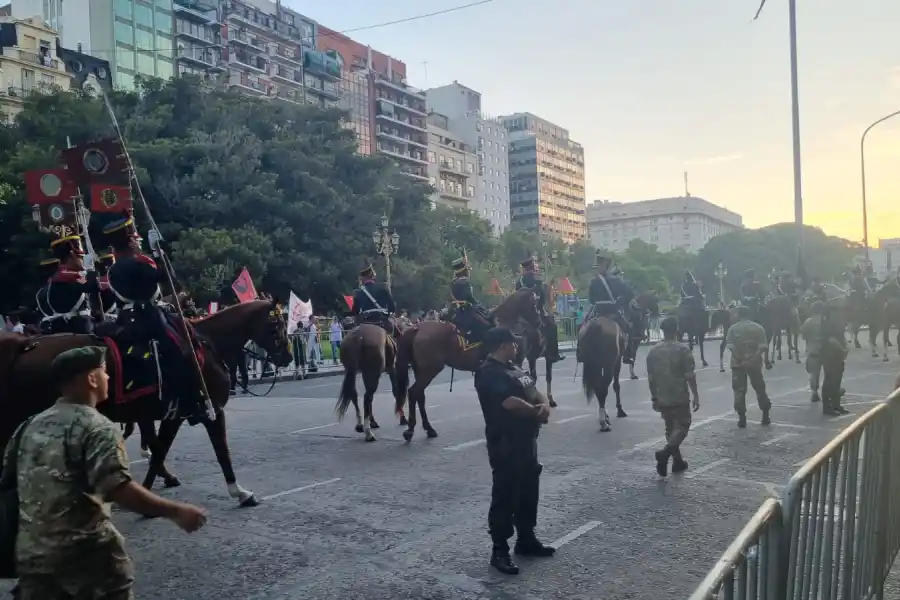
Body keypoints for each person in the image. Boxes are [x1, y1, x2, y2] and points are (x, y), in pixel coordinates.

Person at [3, 346, 207, 600]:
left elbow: (9, 481)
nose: (108, 378)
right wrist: (176, 511)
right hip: (88, 559)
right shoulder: (97, 427)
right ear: (91, 379)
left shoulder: (28, 426)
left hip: (33, 559)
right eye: (104, 372)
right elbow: (117, 488)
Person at [104, 214, 208, 423]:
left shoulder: (113, 268)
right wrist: (158, 252)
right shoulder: (141, 262)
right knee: (183, 351)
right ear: (131, 240)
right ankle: (190, 403)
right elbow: (169, 278)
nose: (138, 240)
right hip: (149, 318)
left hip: (125, 319)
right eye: (136, 238)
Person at [473, 327, 555, 575]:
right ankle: (499, 551)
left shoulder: (515, 369)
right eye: (513, 343)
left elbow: (534, 392)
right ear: (501, 344)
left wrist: (543, 405)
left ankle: (526, 539)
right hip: (505, 443)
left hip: (527, 440)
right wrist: (536, 412)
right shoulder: (489, 373)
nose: (517, 347)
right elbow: (508, 403)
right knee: (505, 495)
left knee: (529, 491)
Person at [646, 316, 699, 476]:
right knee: (683, 426)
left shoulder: (653, 351)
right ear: (676, 330)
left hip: (662, 395)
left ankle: (678, 462)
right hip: (678, 395)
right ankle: (666, 453)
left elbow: (651, 378)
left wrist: (654, 397)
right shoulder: (682, 349)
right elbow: (690, 375)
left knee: (670, 428)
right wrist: (695, 395)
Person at [725, 305, 772, 428]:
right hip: (754, 364)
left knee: (739, 391)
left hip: (737, 364)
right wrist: (752, 359)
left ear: (738, 315)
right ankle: (765, 414)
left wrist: (741, 360)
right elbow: (763, 347)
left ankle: (742, 418)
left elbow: (731, 347)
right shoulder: (758, 328)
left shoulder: (732, 329)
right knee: (760, 389)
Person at [44, 234, 98, 334]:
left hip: (63, 325)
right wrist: (90, 270)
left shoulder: (62, 275)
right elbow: (88, 286)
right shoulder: (69, 276)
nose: (82, 261)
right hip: (76, 325)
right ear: (72, 255)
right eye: (80, 258)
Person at [515, 257, 564, 363]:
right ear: (531, 267)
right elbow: (541, 296)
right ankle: (553, 353)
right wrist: (541, 306)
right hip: (535, 310)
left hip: (521, 312)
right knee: (552, 326)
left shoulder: (519, 280)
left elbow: (516, 295)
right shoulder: (536, 279)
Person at [450, 256, 494, 346]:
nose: (469, 271)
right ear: (464, 270)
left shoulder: (454, 282)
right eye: (467, 269)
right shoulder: (464, 281)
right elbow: (470, 298)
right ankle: (477, 343)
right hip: (466, 311)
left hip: (457, 310)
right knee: (487, 324)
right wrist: (480, 306)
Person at [587, 251, 633, 336]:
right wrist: (618, 303)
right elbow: (629, 294)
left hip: (598, 312)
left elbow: (592, 300)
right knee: (628, 330)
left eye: (598, 266)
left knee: (583, 326)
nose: (598, 268)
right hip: (613, 312)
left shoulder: (594, 281)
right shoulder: (617, 280)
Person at [352, 264, 397, 336]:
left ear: (362, 278)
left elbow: (355, 311)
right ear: (373, 276)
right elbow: (392, 308)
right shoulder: (383, 288)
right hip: (382, 321)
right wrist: (387, 314)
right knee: (396, 335)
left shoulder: (358, 292)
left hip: (365, 321)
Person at [820, 304, 849, 416]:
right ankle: (827, 407)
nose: (838, 314)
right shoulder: (827, 324)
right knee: (829, 381)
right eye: (835, 312)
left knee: (837, 381)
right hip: (829, 356)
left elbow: (842, 337)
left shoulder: (838, 324)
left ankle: (836, 404)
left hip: (838, 356)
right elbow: (831, 340)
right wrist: (843, 349)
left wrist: (845, 349)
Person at [799, 301, 826, 403]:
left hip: (813, 350)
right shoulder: (826, 320)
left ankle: (814, 392)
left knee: (814, 374)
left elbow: (803, 335)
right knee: (830, 373)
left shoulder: (808, 322)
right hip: (827, 350)